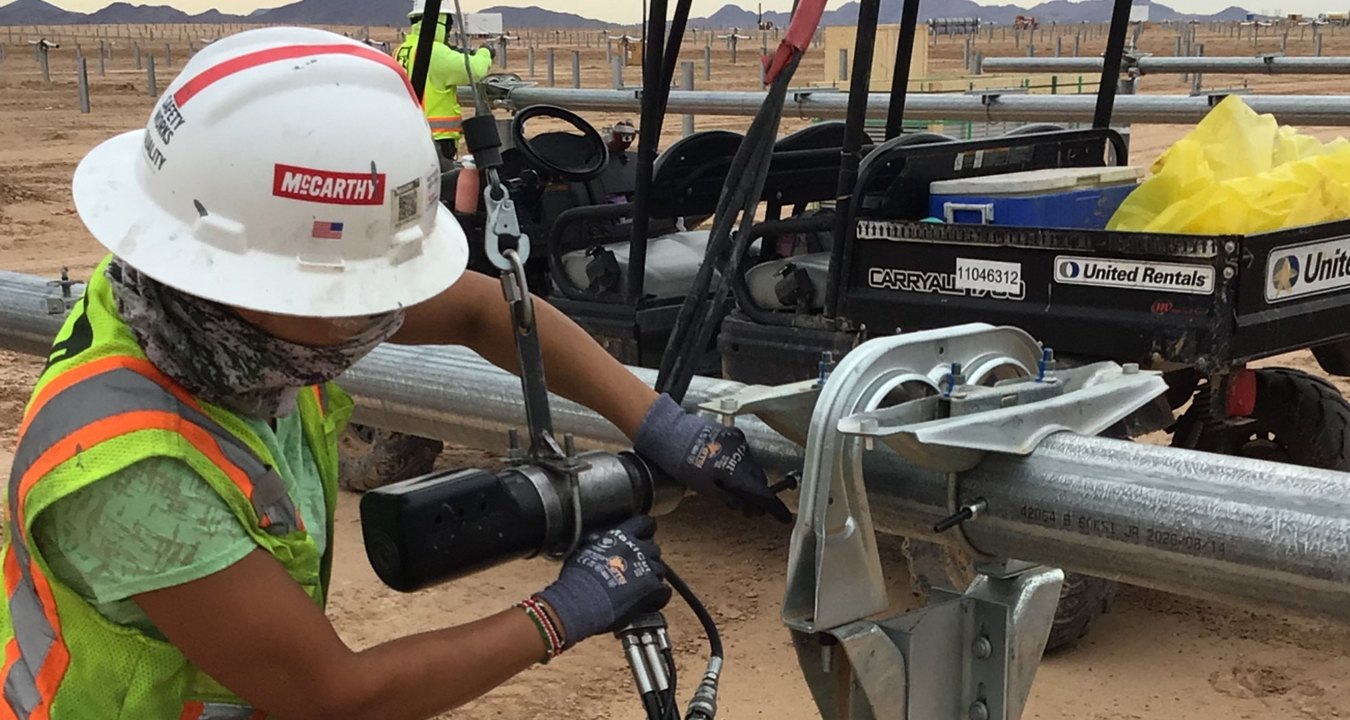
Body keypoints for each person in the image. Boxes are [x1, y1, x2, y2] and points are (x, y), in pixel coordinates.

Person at [0, 28, 789, 720]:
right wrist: (566, 610)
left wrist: (663, 426)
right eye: (350, 293)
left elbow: (484, 310)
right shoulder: (128, 476)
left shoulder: (203, 314)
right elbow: (336, 695)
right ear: (241, 283)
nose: (379, 314)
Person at [395, 0, 494, 162]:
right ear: (439, 22)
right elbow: (474, 69)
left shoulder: (403, 49)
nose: (449, 31)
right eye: (448, 24)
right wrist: (485, 52)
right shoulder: (434, 52)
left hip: (410, 135)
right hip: (435, 140)